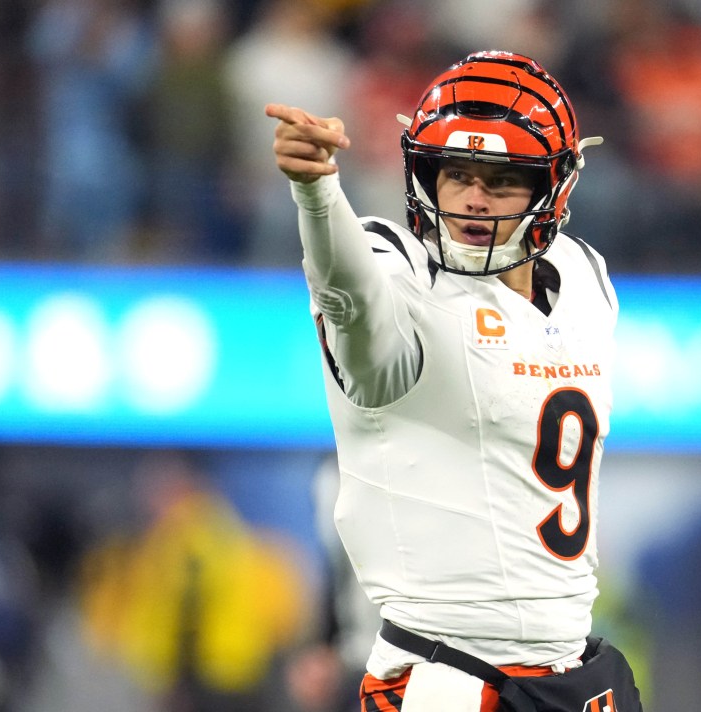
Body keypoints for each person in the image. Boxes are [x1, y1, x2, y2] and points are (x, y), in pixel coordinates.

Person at [266, 50, 642, 712]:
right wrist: (318, 193)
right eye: (457, 174)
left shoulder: (585, 277)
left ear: (553, 184)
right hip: (449, 673)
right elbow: (353, 299)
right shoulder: (404, 277)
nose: (473, 198)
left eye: (500, 180)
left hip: (573, 665)